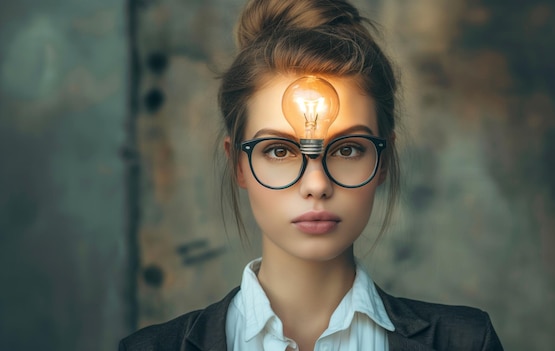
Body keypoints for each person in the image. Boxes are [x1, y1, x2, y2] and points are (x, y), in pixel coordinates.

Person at [119, 0, 504, 350]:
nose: (317, 185)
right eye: (280, 150)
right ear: (238, 162)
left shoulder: (466, 343)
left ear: (382, 161)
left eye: (348, 149)